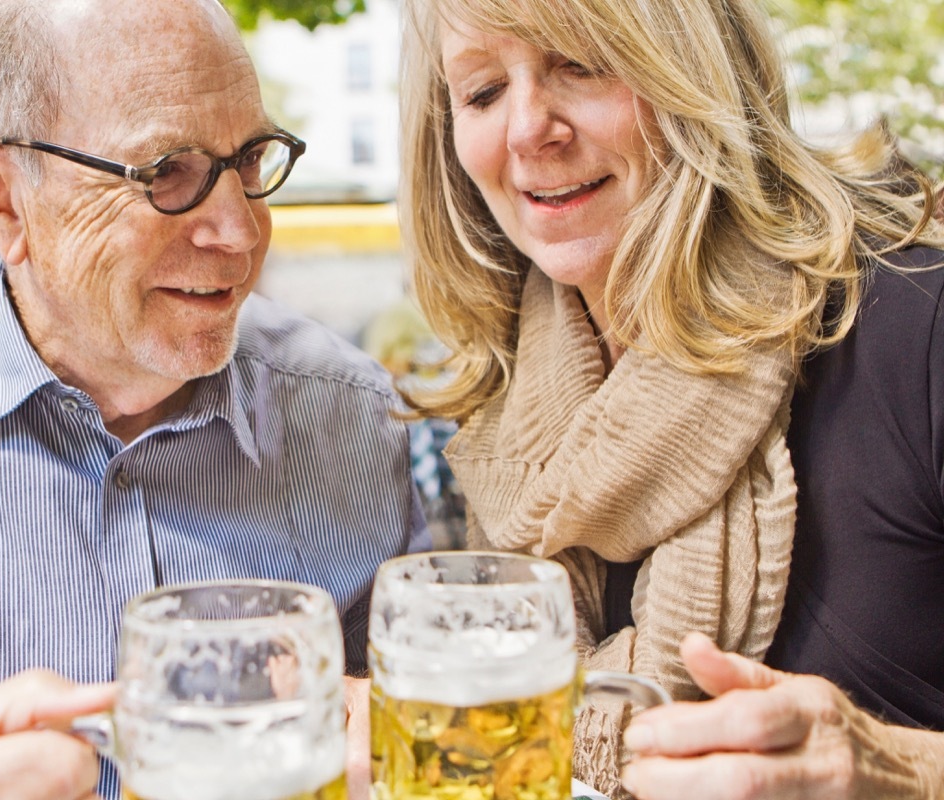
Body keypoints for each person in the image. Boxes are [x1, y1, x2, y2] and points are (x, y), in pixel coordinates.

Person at [0, 0, 428, 797]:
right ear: (0, 198)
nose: (240, 233)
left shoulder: (357, 414)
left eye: (247, 160)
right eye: (166, 172)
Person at [397, 0, 944, 795]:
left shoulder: (915, 322)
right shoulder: (502, 402)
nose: (525, 129)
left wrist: (898, 769)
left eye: (578, 62)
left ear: (694, 69)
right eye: (481, 93)